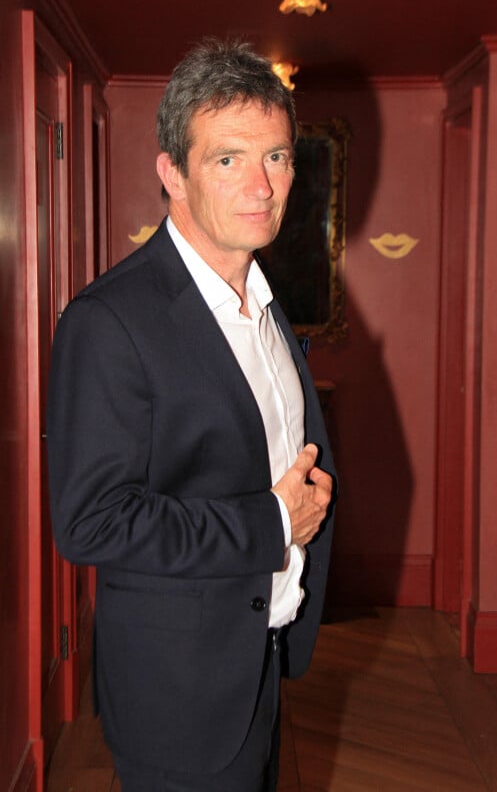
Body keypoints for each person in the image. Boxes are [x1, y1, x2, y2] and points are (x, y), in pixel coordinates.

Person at [47, 39, 336, 791]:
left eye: (276, 157)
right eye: (228, 160)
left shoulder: (267, 305)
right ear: (172, 171)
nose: (262, 185)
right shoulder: (110, 321)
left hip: (260, 660)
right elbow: (91, 523)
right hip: (180, 693)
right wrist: (272, 524)